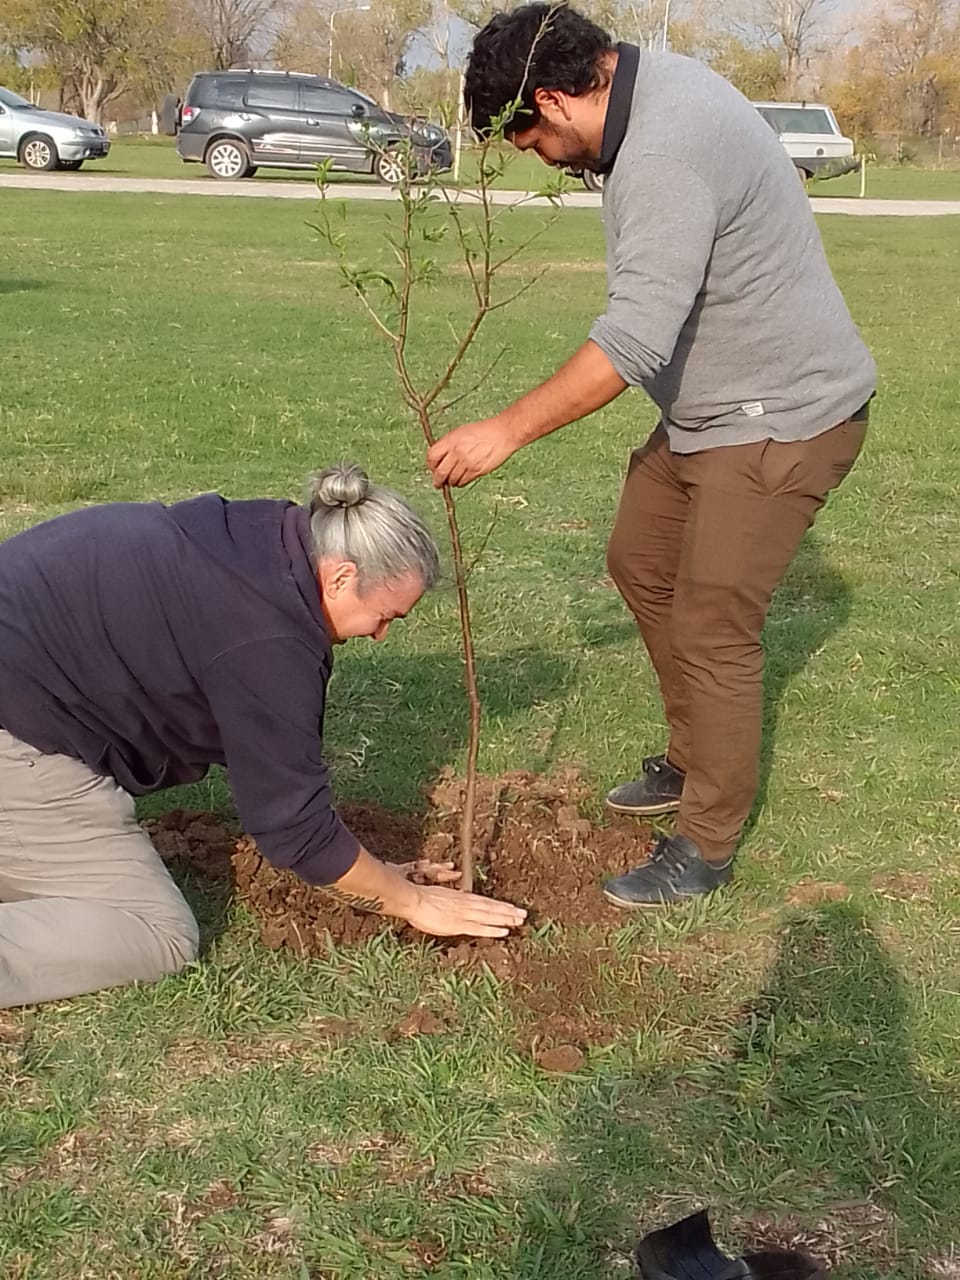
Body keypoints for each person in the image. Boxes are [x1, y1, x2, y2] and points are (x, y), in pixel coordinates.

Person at [427, 5, 876, 907]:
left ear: (554, 99)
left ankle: (704, 845)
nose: (540, 158)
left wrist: (504, 430)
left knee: (714, 624)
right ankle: (691, 754)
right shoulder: (649, 86)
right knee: (641, 560)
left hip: (782, 417)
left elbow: (631, 340)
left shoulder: (664, 153)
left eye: (529, 141)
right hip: (713, 413)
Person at [0, 463, 526, 1008]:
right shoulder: (267, 638)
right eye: (384, 615)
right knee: (157, 932)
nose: (380, 634)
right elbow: (291, 825)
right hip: (16, 730)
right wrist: (411, 902)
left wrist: (373, 880)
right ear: (342, 577)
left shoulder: (264, 538)